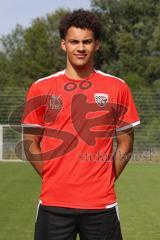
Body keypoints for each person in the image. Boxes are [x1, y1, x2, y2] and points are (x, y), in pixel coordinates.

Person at [22, 9, 140, 240]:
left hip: (101, 205)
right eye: (74, 41)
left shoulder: (118, 88)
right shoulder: (41, 88)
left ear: (97, 45)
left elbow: (126, 143)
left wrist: (107, 178)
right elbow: (30, 143)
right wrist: (50, 176)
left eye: (87, 41)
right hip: (53, 203)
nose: (81, 48)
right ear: (63, 44)